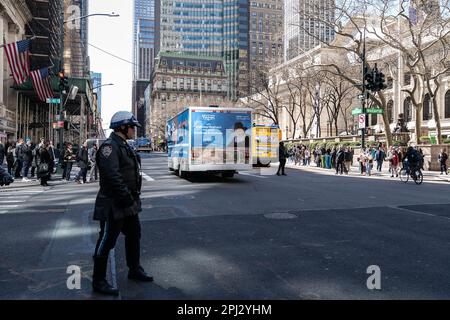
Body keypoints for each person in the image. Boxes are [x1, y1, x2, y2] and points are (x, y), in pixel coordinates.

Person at [92, 111, 152, 296]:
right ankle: (98, 280)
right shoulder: (109, 147)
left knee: (134, 235)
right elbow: (113, 176)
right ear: (122, 127)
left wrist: (131, 199)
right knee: (107, 240)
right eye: (132, 127)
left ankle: (134, 269)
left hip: (128, 203)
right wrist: (126, 197)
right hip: (114, 203)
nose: (134, 130)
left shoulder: (124, 145)